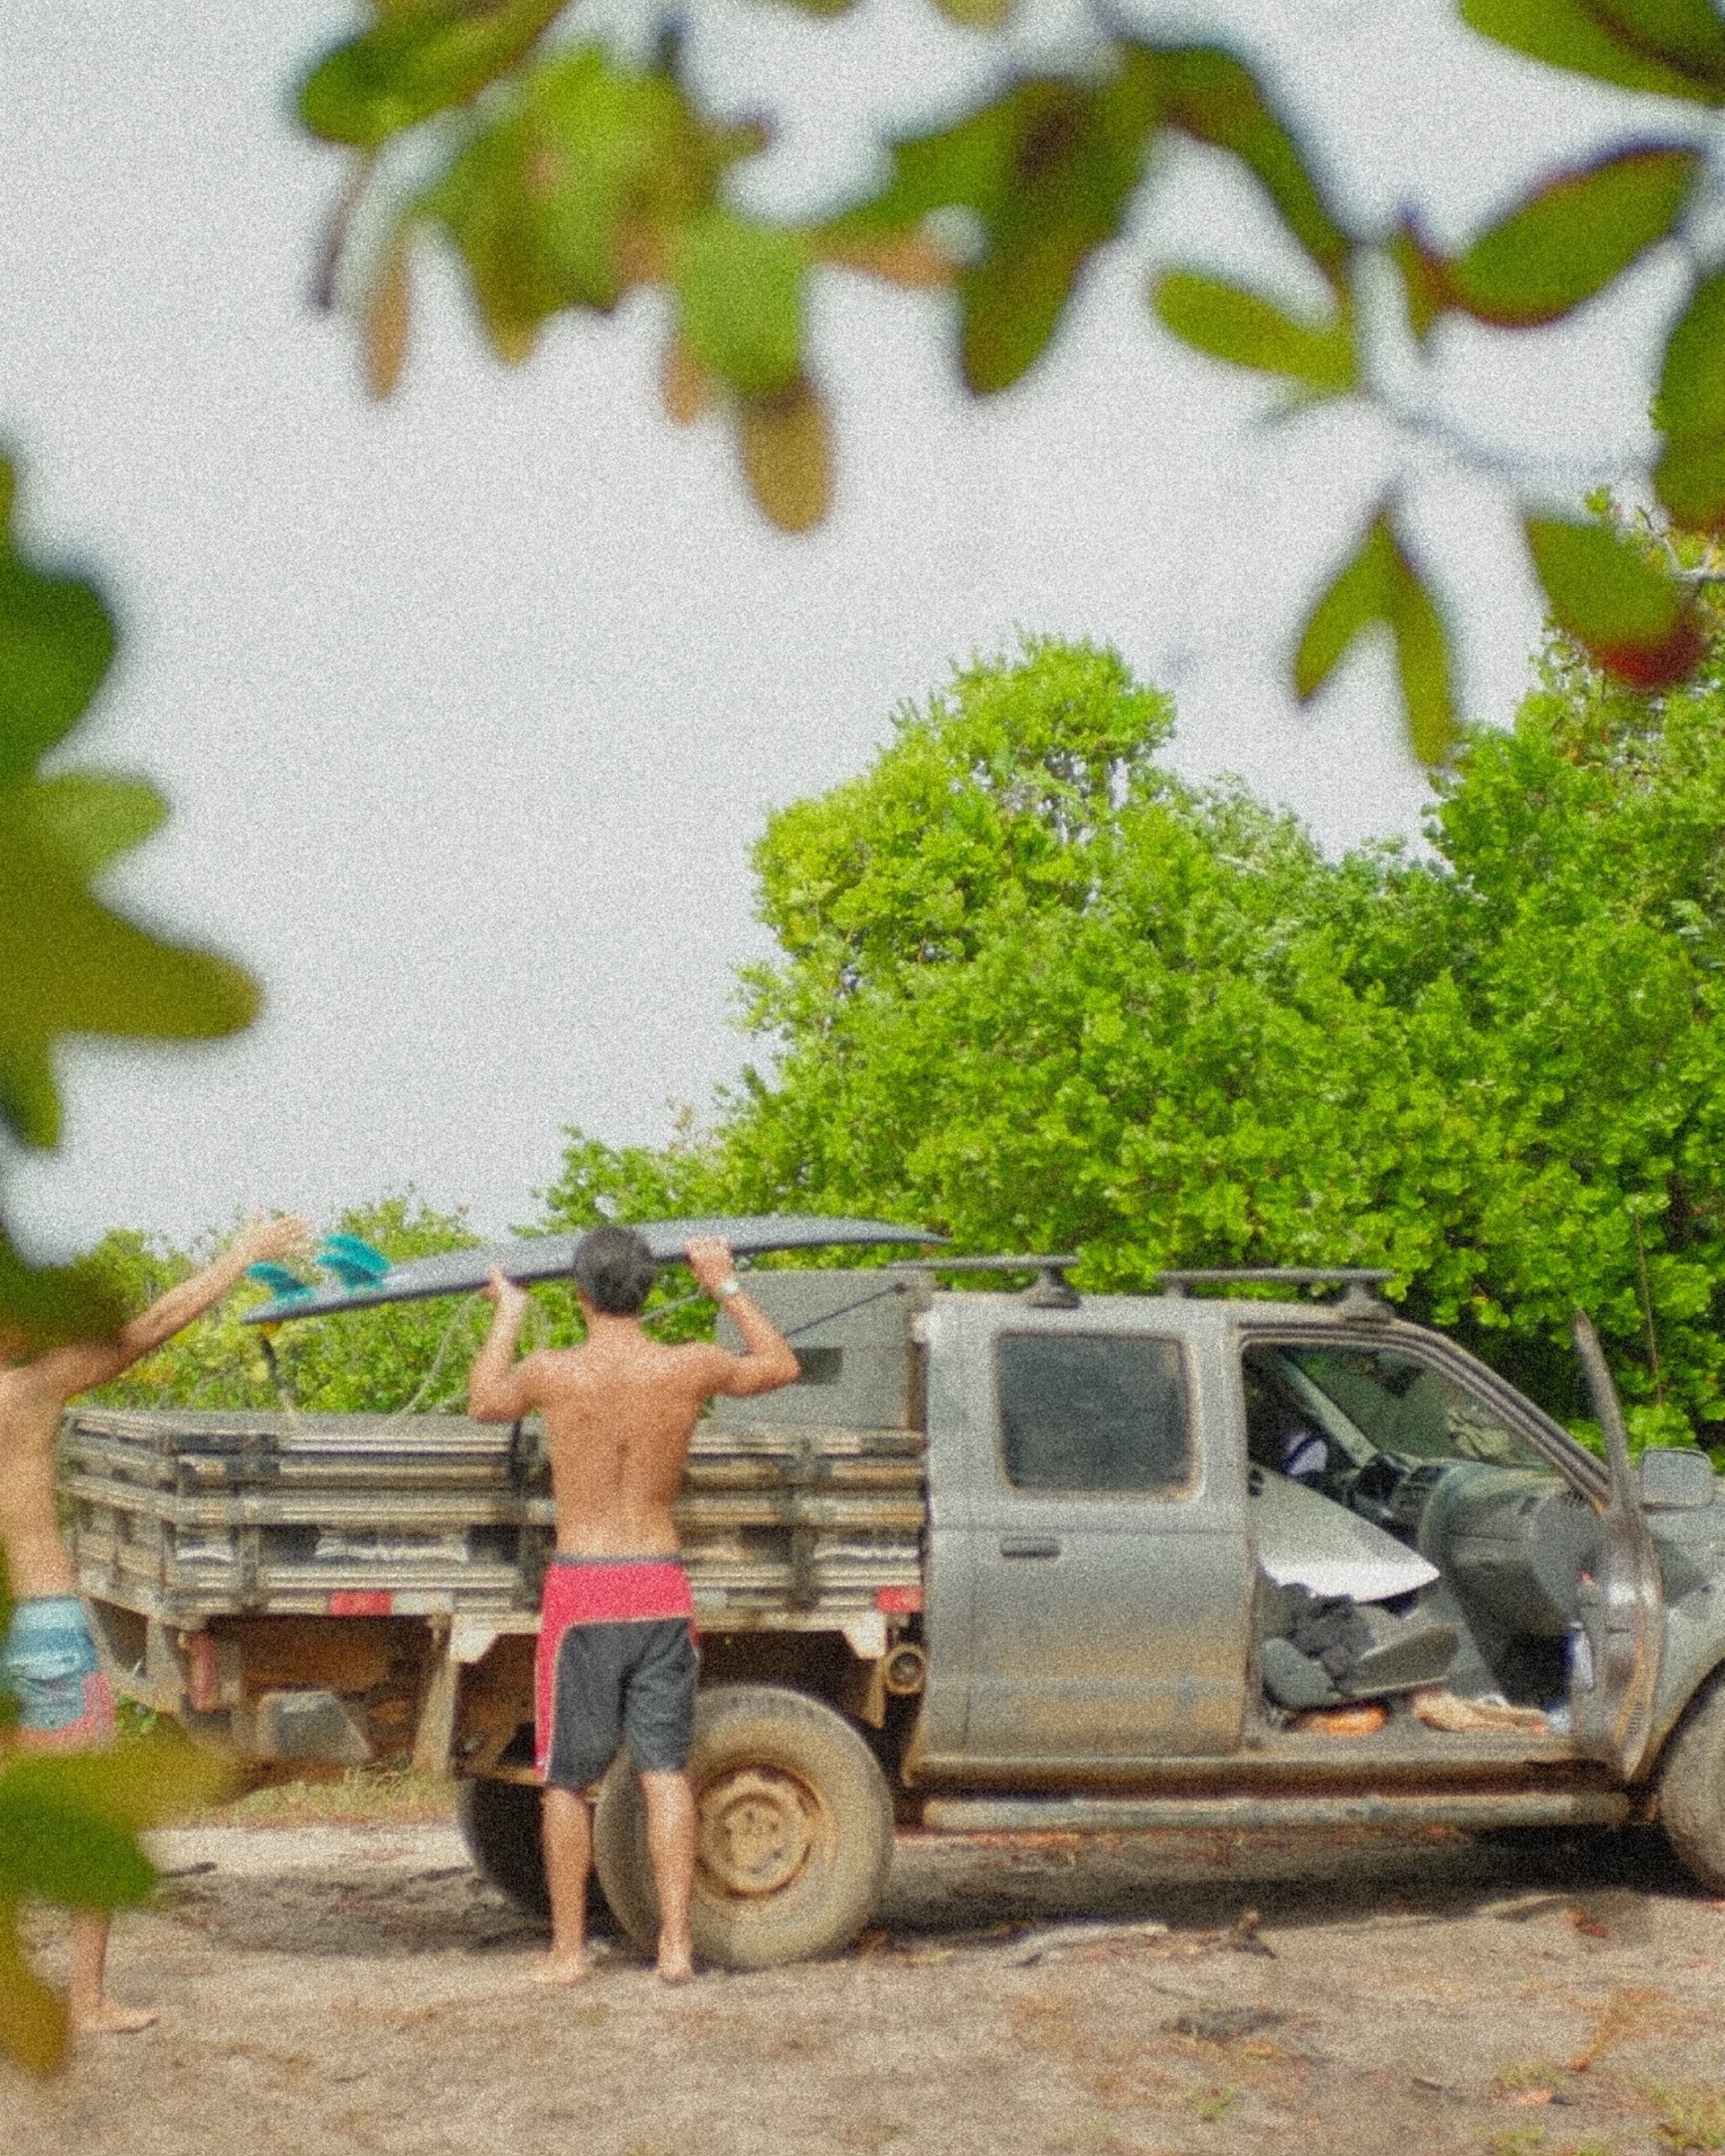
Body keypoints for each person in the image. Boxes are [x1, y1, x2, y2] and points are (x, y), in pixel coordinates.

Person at [0, 1212, 313, 2037]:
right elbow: (156, 1325)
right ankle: (88, 2000)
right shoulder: (30, 1390)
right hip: (41, 1626)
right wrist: (240, 1256)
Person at [468, 1226, 800, 1986]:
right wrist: (723, 1282)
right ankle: (676, 1948)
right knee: (664, 1773)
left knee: (564, 1780)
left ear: (579, 1294)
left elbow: (485, 1401)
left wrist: (509, 1313)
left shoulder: (555, 1372)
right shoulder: (688, 1366)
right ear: (649, 1291)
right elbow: (780, 1365)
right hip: (658, 1581)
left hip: (584, 1585)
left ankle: (566, 1951)